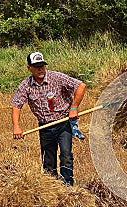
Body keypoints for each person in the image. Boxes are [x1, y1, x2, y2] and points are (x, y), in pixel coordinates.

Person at [11, 52, 86, 186]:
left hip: (63, 123)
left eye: (42, 66)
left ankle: (68, 185)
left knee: (66, 155)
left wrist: (73, 108)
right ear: (29, 68)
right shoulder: (26, 85)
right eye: (36, 66)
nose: (40, 69)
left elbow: (81, 86)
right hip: (45, 127)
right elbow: (17, 105)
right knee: (48, 161)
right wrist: (16, 126)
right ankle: (52, 187)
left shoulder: (56, 77)